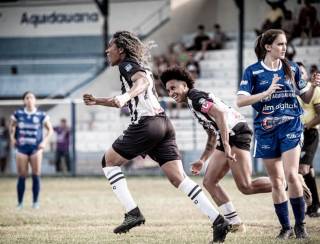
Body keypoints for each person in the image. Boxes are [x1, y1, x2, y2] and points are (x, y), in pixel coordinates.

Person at [83, 31, 231, 243]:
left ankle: (132, 212)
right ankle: (218, 221)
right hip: (163, 124)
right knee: (178, 178)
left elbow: (140, 83)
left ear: (121, 49)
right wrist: (98, 101)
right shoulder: (135, 65)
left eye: (110, 46)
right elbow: (132, 93)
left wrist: (125, 96)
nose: (107, 50)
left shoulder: (127, 65)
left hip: (146, 125)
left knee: (108, 162)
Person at [160, 66, 273, 232]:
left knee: (246, 186)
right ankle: (235, 223)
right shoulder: (192, 102)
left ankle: (290, 183)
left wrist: (227, 144)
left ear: (184, 85)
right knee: (209, 182)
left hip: (237, 134)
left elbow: (220, 114)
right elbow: (212, 134)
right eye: (168, 90)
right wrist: (203, 160)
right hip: (227, 137)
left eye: (173, 88)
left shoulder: (195, 97)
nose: (171, 93)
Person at [237, 29, 320, 239]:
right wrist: (266, 93)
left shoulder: (292, 68)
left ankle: (300, 225)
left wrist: (314, 85)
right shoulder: (253, 71)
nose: (284, 48)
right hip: (265, 129)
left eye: (285, 44)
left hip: (291, 126)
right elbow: (240, 101)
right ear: (268, 47)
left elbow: (307, 98)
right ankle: (285, 227)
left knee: (292, 174)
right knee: (276, 181)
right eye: (280, 44)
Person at [10, 91, 53, 209]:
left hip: (36, 149)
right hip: (22, 148)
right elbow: (12, 126)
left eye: (31, 97)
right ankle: (20, 203)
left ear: (35, 100)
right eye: (27, 98)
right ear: (23, 100)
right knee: (22, 175)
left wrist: (44, 142)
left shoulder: (41, 115)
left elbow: (50, 130)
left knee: (36, 174)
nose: (29, 100)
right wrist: (12, 138)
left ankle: (35, 203)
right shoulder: (18, 114)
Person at [297, 62, 320, 217]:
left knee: (302, 170)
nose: (299, 74)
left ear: (305, 74)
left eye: (301, 72)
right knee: (308, 171)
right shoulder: (294, 92)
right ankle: (314, 207)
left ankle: (311, 204)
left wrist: (305, 126)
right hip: (297, 135)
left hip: (310, 133)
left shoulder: (315, 90)